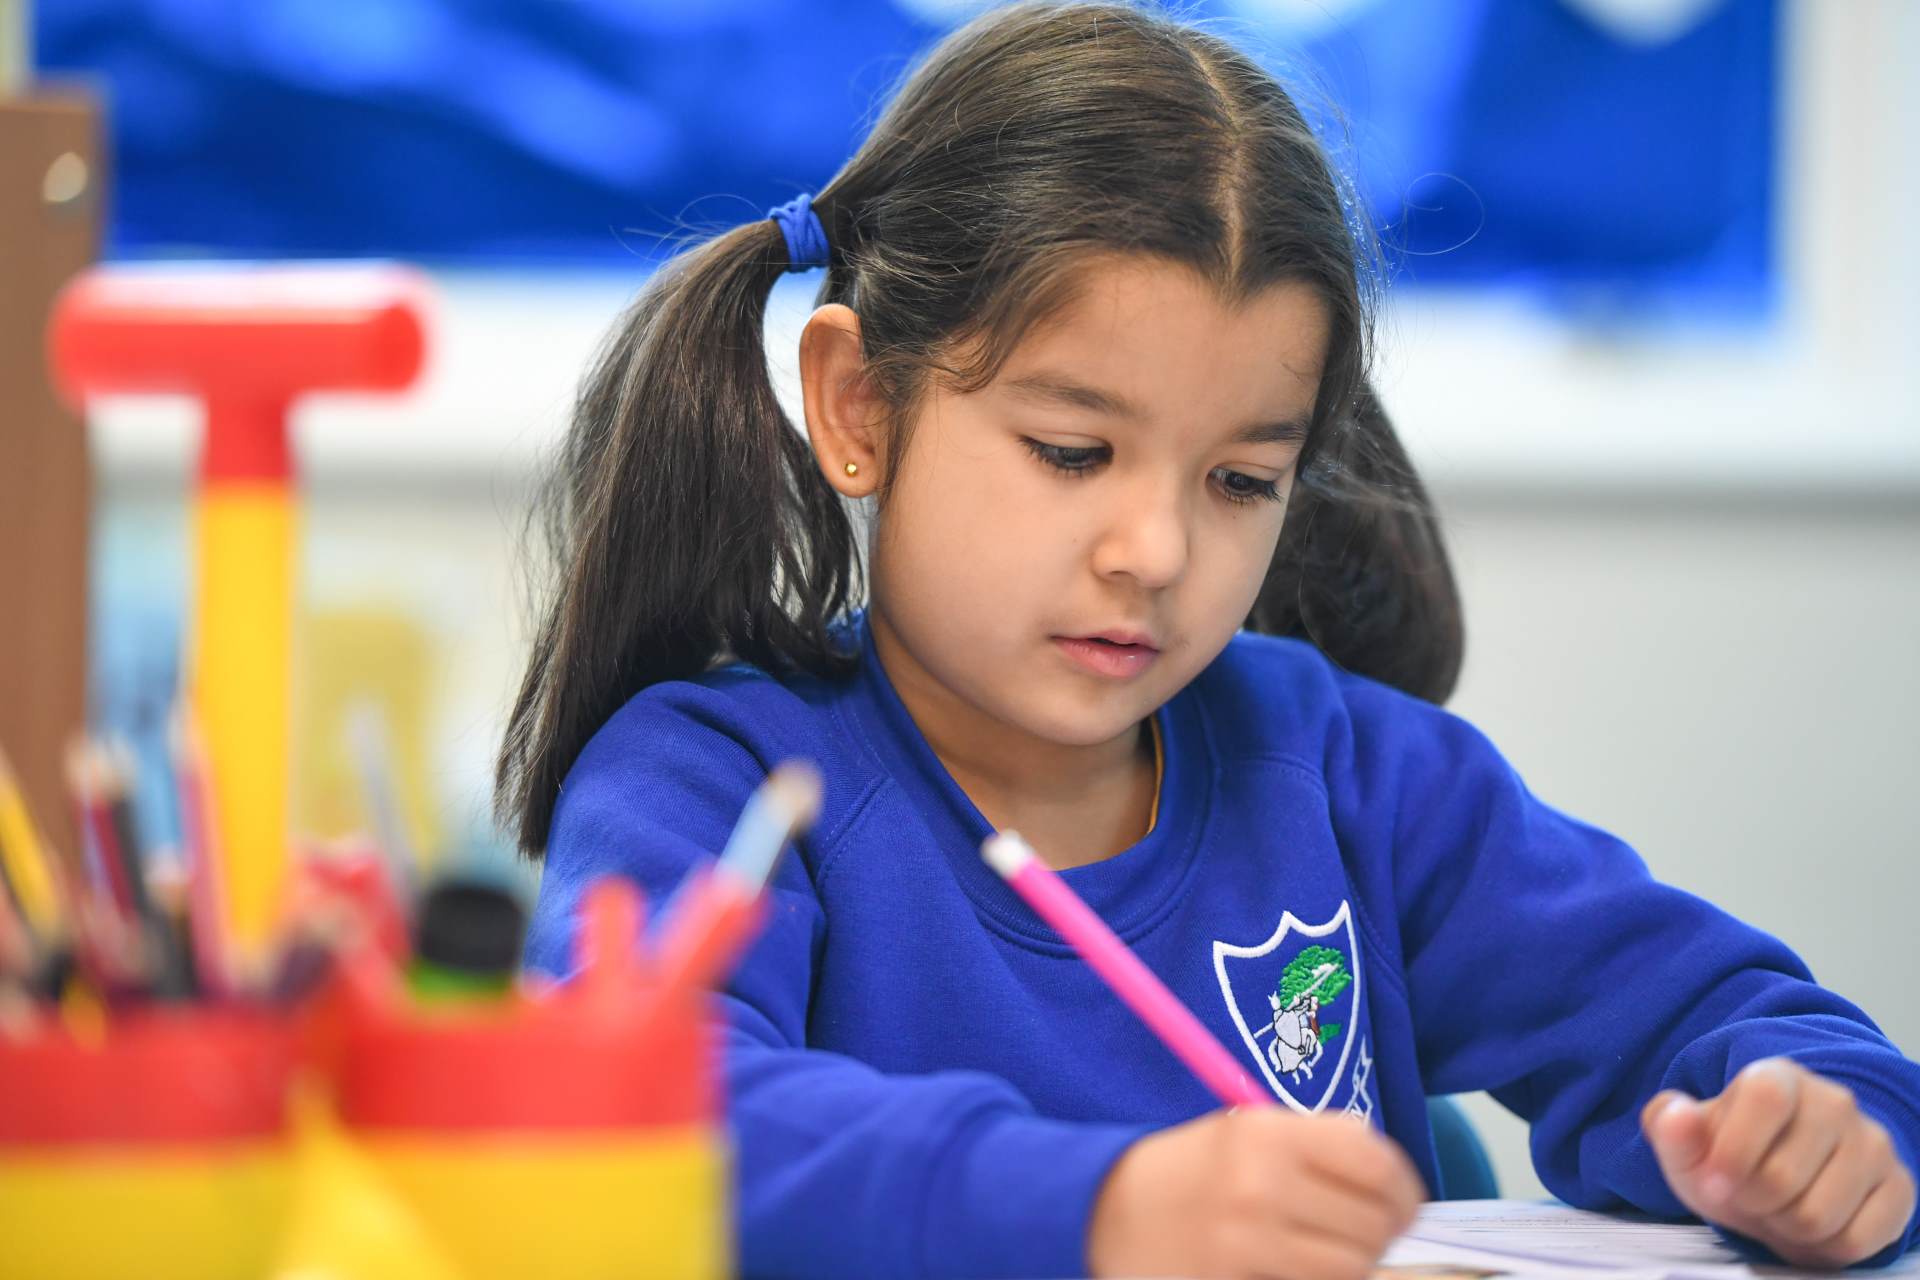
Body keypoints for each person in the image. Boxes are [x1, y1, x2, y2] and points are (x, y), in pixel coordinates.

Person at [496, 5, 1920, 1277]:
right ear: (861, 407)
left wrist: (1822, 1132)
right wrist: (1100, 1208)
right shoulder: (719, 784)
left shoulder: (1345, 770)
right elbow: (642, 1116)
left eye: (1241, 480)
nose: (1159, 553)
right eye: (1071, 451)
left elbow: (1722, 1016)